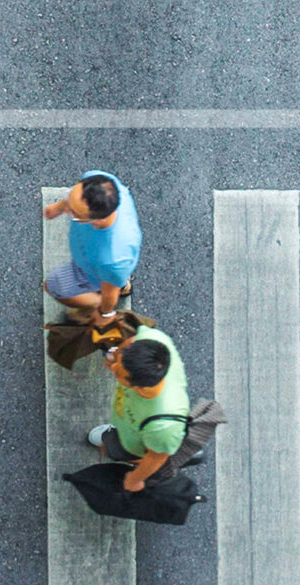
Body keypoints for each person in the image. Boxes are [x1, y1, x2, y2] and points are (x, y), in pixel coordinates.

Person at [86, 323, 222, 491]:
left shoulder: (163, 426)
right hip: (134, 422)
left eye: (118, 373)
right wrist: (115, 354)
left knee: (124, 451)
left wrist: (135, 479)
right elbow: (130, 343)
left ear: (139, 387)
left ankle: (172, 453)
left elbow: (154, 459)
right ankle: (177, 451)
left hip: (138, 441)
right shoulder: (152, 340)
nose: (112, 366)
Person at [43, 171, 140, 323]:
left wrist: (104, 313)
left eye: (75, 213)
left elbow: (110, 293)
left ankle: (95, 303)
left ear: (99, 221)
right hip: (98, 264)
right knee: (113, 280)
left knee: (52, 287)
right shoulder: (100, 181)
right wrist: (60, 207)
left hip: (89, 272)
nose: (69, 211)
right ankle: (121, 285)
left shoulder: (112, 258)